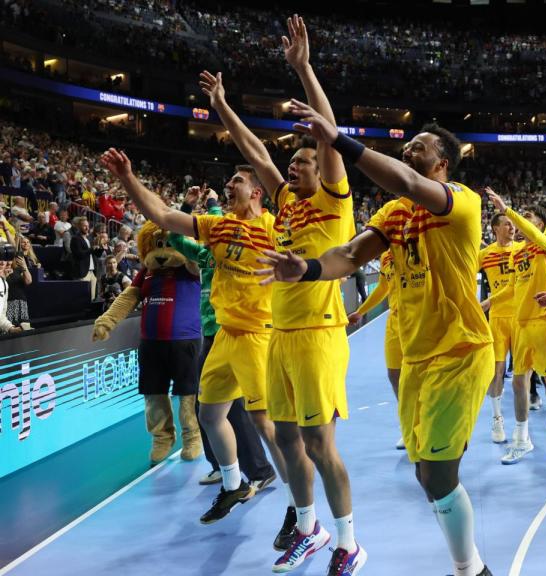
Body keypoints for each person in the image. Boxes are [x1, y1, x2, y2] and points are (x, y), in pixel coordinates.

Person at [259, 104, 494, 576]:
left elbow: (406, 182)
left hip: (462, 351)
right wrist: (304, 270)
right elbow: (348, 254)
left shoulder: (461, 200)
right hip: (418, 360)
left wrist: (340, 140)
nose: (409, 150)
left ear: (444, 162)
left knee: (438, 476)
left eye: (420, 147)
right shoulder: (392, 214)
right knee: (426, 476)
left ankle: (471, 570)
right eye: (406, 146)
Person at [198, 16, 367, 574]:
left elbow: (330, 132)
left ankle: (348, 544)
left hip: (319, 335)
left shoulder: (334, 202)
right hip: (279, 335)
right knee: (288, 442)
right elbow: (254, 150)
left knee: (321, 444)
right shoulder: (286, 203)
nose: (293, 165)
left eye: (304, 160)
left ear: (324, 168)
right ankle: (307, 526)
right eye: (292, 161)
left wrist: (303, 67)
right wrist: (222, 105)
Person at [99, 150, 286, 531]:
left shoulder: (272, 228)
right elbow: (164, 217)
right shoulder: (219, 227)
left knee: (264, 423)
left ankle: (301, 511)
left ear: (257, 194)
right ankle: (233, 485)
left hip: (256, 335)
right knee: (210, 414)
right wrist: (127, 177)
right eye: (230, 180)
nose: (228, 186)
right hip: (223, 336)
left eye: (238, 181)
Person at [168, 187, 277, 494]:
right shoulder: (205, 255)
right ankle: (223, 467)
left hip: (240, 331)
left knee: (246, 411)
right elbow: (176, 237)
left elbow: (223, 223)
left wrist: (213, 203)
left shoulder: (237, 235)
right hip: (213, 331)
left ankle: (262, 471)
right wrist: (187, 204)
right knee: (210, 406)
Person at [484, 187, 546, 465]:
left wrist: (507, 208)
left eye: (528, 218)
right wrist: (487, 302)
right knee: (519, 383)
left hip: (545, 323)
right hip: (521, 323)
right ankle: (522, 438)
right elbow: (512, 287)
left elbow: (536, 234)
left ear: (541, 224)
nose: (519, 223)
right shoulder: (516, 255)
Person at [347, 244, 404, 450]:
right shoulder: (387, 256)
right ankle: (407, 425)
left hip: (418, 321)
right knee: (394, 374)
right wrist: (361, 311)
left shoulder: (420, 245)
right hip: (395, 322)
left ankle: (422, 425)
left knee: (419, 376)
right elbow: (383, 287)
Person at [479, 209, 519, 444]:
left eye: (513, 224)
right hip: (499, 319)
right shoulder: (485, 255)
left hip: (524, 317)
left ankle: (528, 415)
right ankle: (497, 418)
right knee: (497, 371)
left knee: (529, 374)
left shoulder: (523, 250)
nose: (512, 228)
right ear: (495, 229)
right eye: (507, 224)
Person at [68, 217, 101, 298]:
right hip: (82, 272)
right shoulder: (75, 239)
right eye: (84, 226)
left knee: (92, 297)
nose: (87, 228)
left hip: (92, 272)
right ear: (79, 227)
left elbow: (96, 255)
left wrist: (101, 248)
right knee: (82, 297)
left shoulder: (89, 239)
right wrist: (91, 248)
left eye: (88, 226)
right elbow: (79, 254)